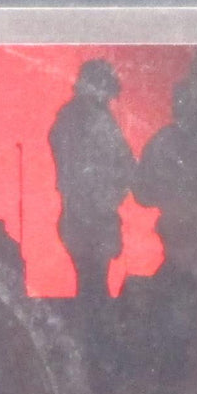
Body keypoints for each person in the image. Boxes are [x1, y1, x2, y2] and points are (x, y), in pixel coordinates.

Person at [48, 60, 135, 302]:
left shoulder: (67, 119)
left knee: (89, 283)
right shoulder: (97, 121)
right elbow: (125, 161)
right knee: (95, 286)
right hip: (95, 214)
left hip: (79, 213)